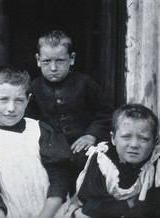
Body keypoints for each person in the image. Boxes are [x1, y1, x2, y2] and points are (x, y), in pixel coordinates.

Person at [0, 65, 72, 218]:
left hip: (52, 213)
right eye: (4, 99)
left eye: (19, 100)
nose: (11, 108)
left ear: (28, 100)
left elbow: (59, 182)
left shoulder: (41, 132)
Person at [25, 30, 114, 194]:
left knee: (87, 176)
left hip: (83, 150)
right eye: (46, 61)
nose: (53, 68)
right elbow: (27, 120)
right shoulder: (34, 87)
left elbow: (105, 112)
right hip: (49, 152)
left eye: (60, 61)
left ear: (71, 59)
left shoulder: (85, 83)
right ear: (38, 60)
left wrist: (91, 135)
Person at [62, 103, 160, 217]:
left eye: (143, 139)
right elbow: (93, 208)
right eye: (126, 137)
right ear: (113, 138)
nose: (134, 145)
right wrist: (131, 203)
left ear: (155, 141)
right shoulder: (102, 162)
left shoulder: (155, 164)